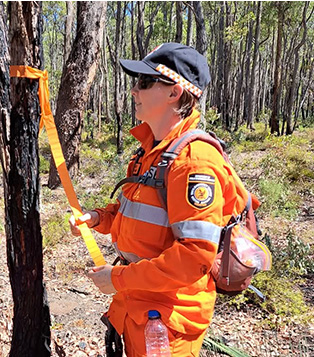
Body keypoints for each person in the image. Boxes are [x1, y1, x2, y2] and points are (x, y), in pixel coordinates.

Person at [69, 43, 248, 357]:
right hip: (137, 306)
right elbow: (138, 216)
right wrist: (98, 219)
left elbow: (193, 258)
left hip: (167, 321)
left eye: (145, 82)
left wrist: (119, 279)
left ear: (174, 92)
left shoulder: (194, 162)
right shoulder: (150, 152)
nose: (134, 90)